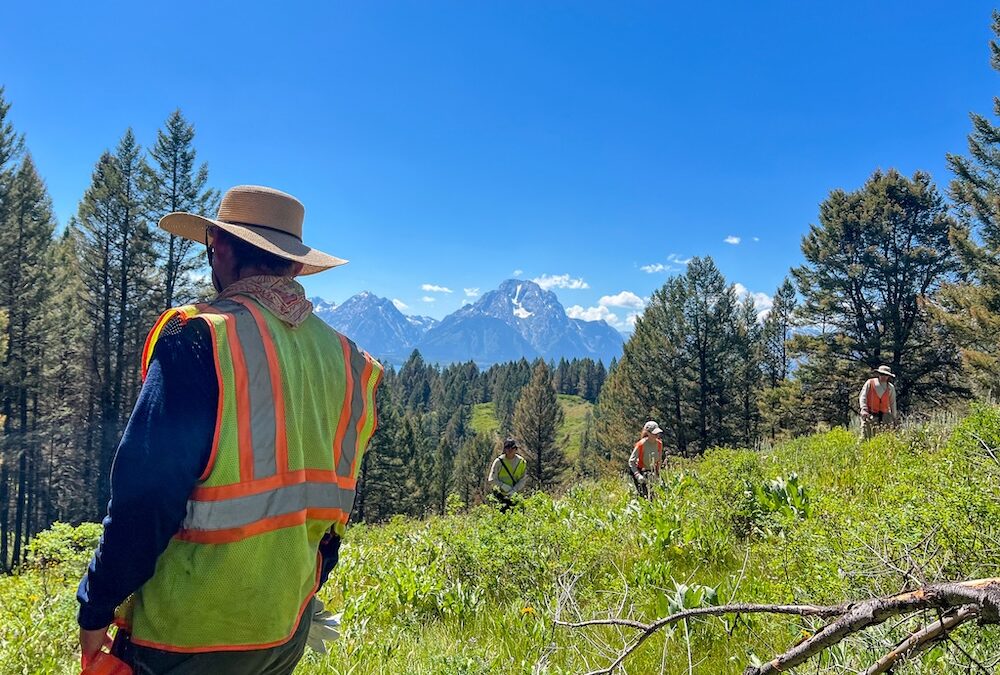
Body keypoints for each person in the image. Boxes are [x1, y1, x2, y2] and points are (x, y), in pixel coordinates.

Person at [76, 185, 383, 674]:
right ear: (296, 265)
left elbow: (145, 500)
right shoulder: (349, 362)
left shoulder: (197, 337)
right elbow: (333, 510)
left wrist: (96, 604)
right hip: (285, 630)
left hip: (187, 637)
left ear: (219, 246)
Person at [859, 365, 898, 440]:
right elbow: (862, 396)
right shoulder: (870, 383)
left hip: (885, 417)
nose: (883, 376)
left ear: (888, 376)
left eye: (886, 375)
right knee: (865, 437)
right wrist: (863, 409)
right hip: (869, 414)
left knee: (885, 439)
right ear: (878, 374)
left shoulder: (890, 387)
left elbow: (893, 403)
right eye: (882, 374)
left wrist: (894, 418)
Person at [488, 437, 527, 510]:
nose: (510, 450)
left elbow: (523, 479)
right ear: (504, 449)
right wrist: (503, 486)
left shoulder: (522, 462)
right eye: (507, 448)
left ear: (516, 449)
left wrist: (514, 490)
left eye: (512, 448)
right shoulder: (499, 462)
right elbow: (491, 479)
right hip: (500, 496)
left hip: (516, 495)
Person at [629, 421, 663, 499]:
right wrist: (637, 475)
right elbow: (631, 461)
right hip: (640, 471)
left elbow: (659, 460)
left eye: (657, 433)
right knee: (645, 496)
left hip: (652, 472)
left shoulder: (659, 444)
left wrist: (658, 474)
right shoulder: (641, 444)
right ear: (648, 433)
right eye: (654, 434)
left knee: (655, 495)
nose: (657, 435)